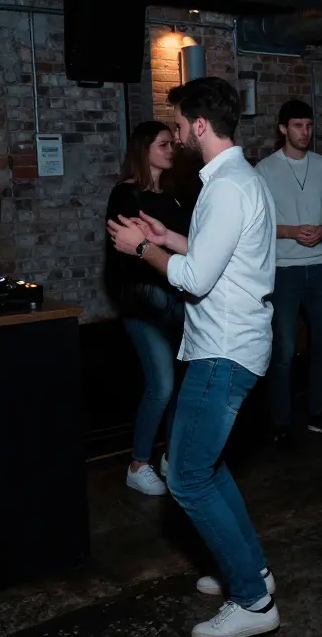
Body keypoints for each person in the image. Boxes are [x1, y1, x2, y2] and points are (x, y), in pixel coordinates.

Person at [107, 77, 280, 637]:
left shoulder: (228, 186)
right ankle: (249, 570)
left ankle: (253, 602)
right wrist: (168, 236)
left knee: (185, 478)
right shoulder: (232, 180)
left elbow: (197, 278)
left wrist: (143, 248)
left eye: (179, 124)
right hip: (230, 345)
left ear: (199, 125)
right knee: (207, 466)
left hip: (223, 351)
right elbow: (212, 254)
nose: (176, 134)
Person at [104, 121, 191, 496]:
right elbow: (125, 256)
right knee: (162, 385)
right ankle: (138, 464)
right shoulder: (126, 194)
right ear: (144, 149)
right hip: (144, 305)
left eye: (173, 143)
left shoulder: (172, 194)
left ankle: (171, 457)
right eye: (163, 144)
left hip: (177, 301)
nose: (171, 149)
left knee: (181, 384)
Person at [257, 100, 322, 444]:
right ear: (282, 129)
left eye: (308, 126)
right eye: (297, 126)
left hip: (321, 267)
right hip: (283, 270)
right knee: (284, 349)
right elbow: (258, 224)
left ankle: (318, 413)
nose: (304, 132)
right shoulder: (264, 169)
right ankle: (279, 421)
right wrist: (293, 231)